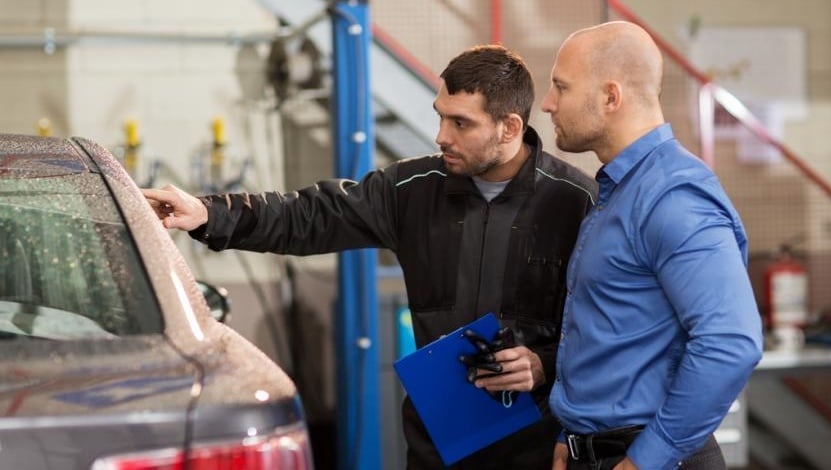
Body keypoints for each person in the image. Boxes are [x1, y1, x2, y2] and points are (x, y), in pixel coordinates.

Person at [142, 45, 597, 470]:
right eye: (440, 117)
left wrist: (545, 363)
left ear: (510, 127)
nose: (441, 136)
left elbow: (615, 329)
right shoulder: (409, 190)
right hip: (439, 440)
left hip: (538, 445)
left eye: (461, 123)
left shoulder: (578, 203)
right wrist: (207, 213)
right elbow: (306, 215)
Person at [540, 21, 763, 470]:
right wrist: (578, 434)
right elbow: (613, 335)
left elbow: (730, 342)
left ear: (611, 97)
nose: (548, 104)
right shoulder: (620, 191)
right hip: (599, 452)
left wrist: (648, 457)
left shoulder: (672, 196)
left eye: (560, 88)